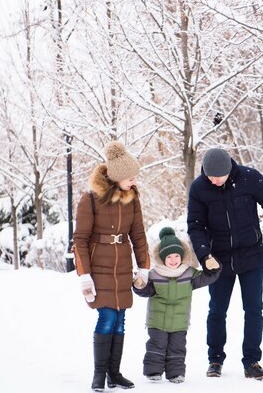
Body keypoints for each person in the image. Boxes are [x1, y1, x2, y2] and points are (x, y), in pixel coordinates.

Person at [187, 147, 263, 380]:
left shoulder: (249, 178)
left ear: (229, 171)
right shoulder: (199, 188)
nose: (213, 180)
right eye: (209, 176)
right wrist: (205, 255)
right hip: (219, 260)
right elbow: (195, 225)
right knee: (217, 310)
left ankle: (252, 361)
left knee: (254, 309)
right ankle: (215, 359)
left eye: (217, 176)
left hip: (251, 255)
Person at [73, 141, 150, 392]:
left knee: (120, 318)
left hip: (122, 265)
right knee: (107, 317)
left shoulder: (132, 199)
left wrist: (144, 267)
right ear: (116, 177)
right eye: (130, 177)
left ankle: (114, 373)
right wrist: (85, 276)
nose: (134, 181)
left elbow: (138, 235)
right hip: (99, 266)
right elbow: (80, 240)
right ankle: (99, 374)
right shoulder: (91, 200)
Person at [132, 227, 221, 383]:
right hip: (157, 320)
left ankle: (176, 373)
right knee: (156, 346)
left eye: (176, 256)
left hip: (180, 322)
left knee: (177, 348)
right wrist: (139, 285)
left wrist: (214, 267)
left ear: (182, 256)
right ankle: (153, 371)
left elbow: (207, 277)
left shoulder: (189, 273)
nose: (173, 260)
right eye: (169, 257)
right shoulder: (154, 274)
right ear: (162, 258)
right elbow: (146, 290)